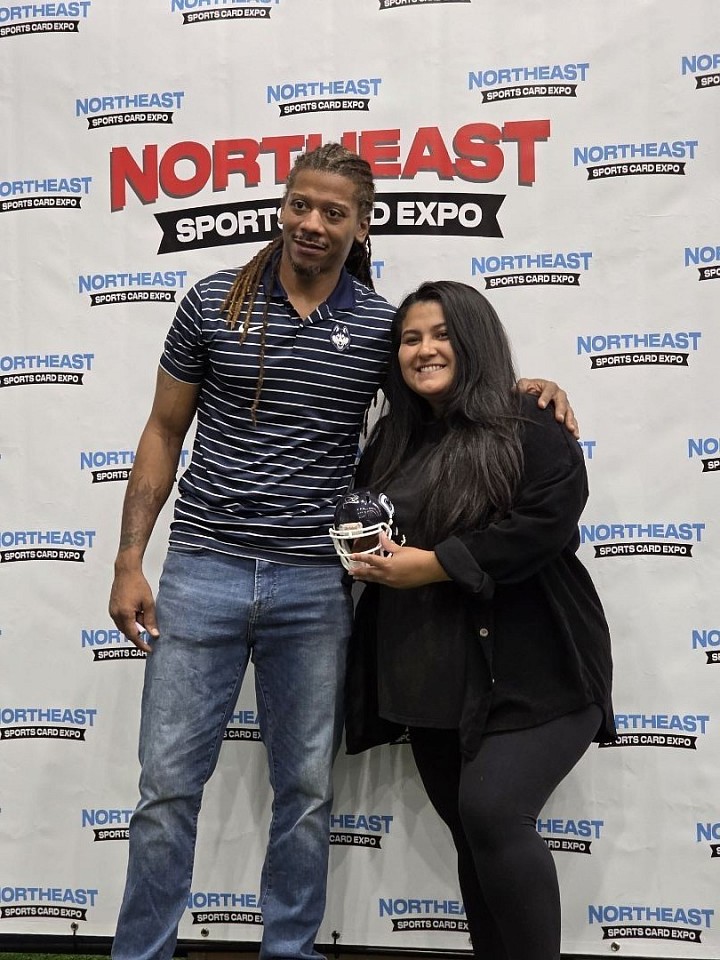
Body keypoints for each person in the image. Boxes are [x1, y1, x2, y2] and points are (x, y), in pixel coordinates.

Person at [108, 143, 578, 960]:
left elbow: (445, 389)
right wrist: (128, 561)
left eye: (334, 212)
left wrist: (528, 389)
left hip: (315, 583)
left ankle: (290, 950)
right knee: (166, 789)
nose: (312, 223)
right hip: (203, 567)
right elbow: (162, 430)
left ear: (362, 227)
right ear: (282, 207)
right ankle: (139, 952)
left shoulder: (376, 327)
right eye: (300, 205)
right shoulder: (211, 301)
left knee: (306, 790)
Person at [342, 280, 615, 960]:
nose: (425, 349)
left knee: (493, 814)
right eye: (410, 338)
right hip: (432, 681)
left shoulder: (530, 422)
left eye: (442, 335)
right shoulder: (390, 442)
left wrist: (436, 564)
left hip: (539, 672)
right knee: (473, 835)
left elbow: (547, 523)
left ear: (474, 341)